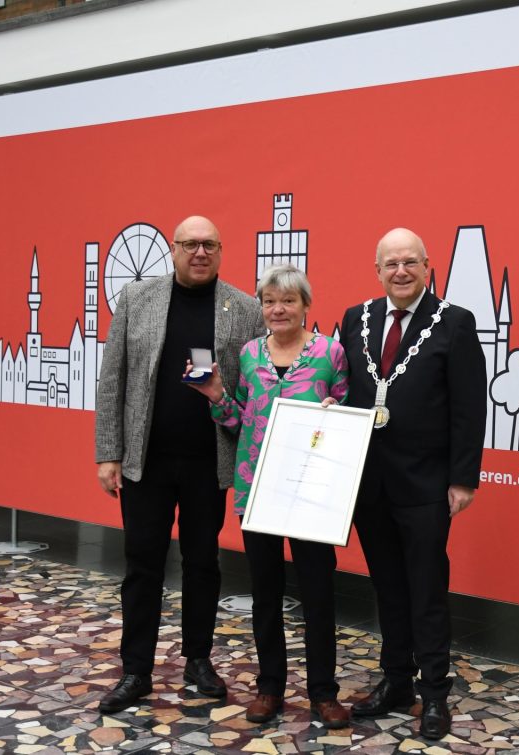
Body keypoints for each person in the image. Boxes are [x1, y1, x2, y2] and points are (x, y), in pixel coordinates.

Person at [94, 215, 264, 714]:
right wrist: (108, 452)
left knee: (203, 563)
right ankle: (136, 671)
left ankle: (198, 661)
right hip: (146, 461)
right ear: (172, 249)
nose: (199, 252)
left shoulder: (246, 308)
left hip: (209, 462)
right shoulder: (136, 300)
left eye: (209, 244)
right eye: (189, 244)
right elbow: (113, 380)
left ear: (220, 250)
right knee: (141, 565)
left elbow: (253, 384)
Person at [186, 264, 351, 729]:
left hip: (311, 489)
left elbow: (347, 410)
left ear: (305, 306)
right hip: (257, 487)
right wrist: (216, 394)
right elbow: (241, 420)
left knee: (318, 593)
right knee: (265, 593)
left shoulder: (330, 352)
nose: (277, 309)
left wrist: (336, 412)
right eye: (269, 301)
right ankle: (270, 687)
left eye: (288, 301)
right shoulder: (251, 353)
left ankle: (323, 692)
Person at [338, 228, 486, 741]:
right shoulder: (355, 319)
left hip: (425, 484)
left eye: (410, 262)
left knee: (426, 590)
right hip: (368, 484)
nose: (400, 272)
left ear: (428, 266)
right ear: (376, 269)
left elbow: (469, 407)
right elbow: (343, 387)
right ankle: (396, 681)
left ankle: (436, 695)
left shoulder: (455, 323)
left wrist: (463, 478)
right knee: (388, 587)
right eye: (390, 264)